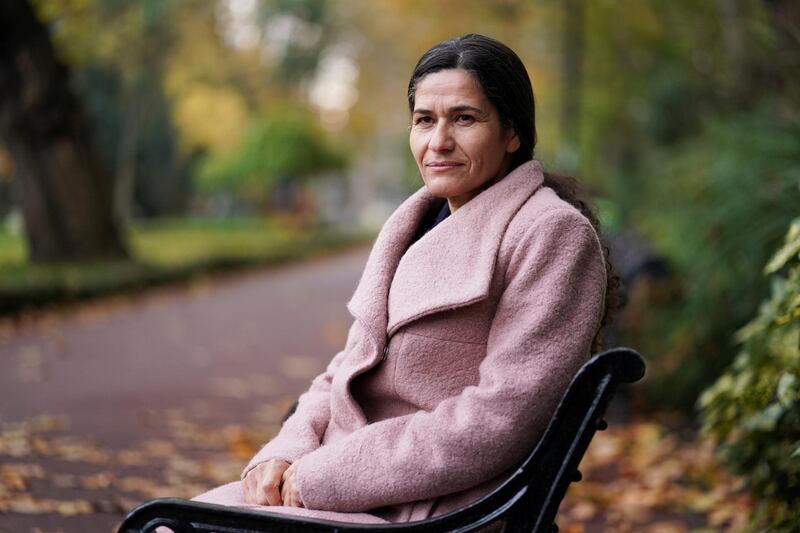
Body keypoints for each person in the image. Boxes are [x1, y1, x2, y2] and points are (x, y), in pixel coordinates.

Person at [193, 33, 617, 525]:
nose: (438, 142)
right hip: (338, 483)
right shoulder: (415, 224)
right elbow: (344, 370)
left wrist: (323, 478)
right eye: (424, 120)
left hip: (429, 509)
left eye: (464, 118)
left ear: (513, 132)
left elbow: (500, 416)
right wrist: (281, 453)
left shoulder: (550, 233)